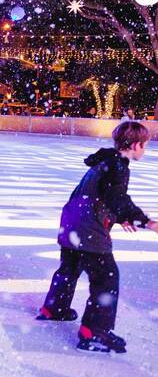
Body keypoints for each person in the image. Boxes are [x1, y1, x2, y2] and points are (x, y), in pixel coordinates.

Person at [37, 121, 158, 353]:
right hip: (88, 229)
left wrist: (119, 217)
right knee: (106, 277)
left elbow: (102, 195)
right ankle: (94, 332)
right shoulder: (118, 166)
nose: (145, 150)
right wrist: (147, 222)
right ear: (135, 145)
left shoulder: (104, 161)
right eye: (144, 146)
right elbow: (117, 199)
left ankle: (54, 308)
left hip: (72, 221)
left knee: (70, 267)